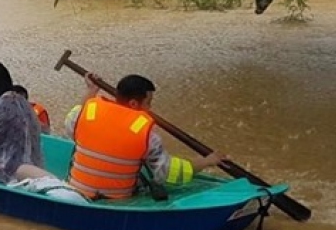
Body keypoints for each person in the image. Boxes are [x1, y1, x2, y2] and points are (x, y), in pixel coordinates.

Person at [67, 73, 226, 200]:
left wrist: (91, 90)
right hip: (117, 200)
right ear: (134, 104)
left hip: (78, 191)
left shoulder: (86, 113)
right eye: (148, 102)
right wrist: (206, 161)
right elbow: (168, 172)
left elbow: (73, 123)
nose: (150, 107)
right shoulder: (146, 134)